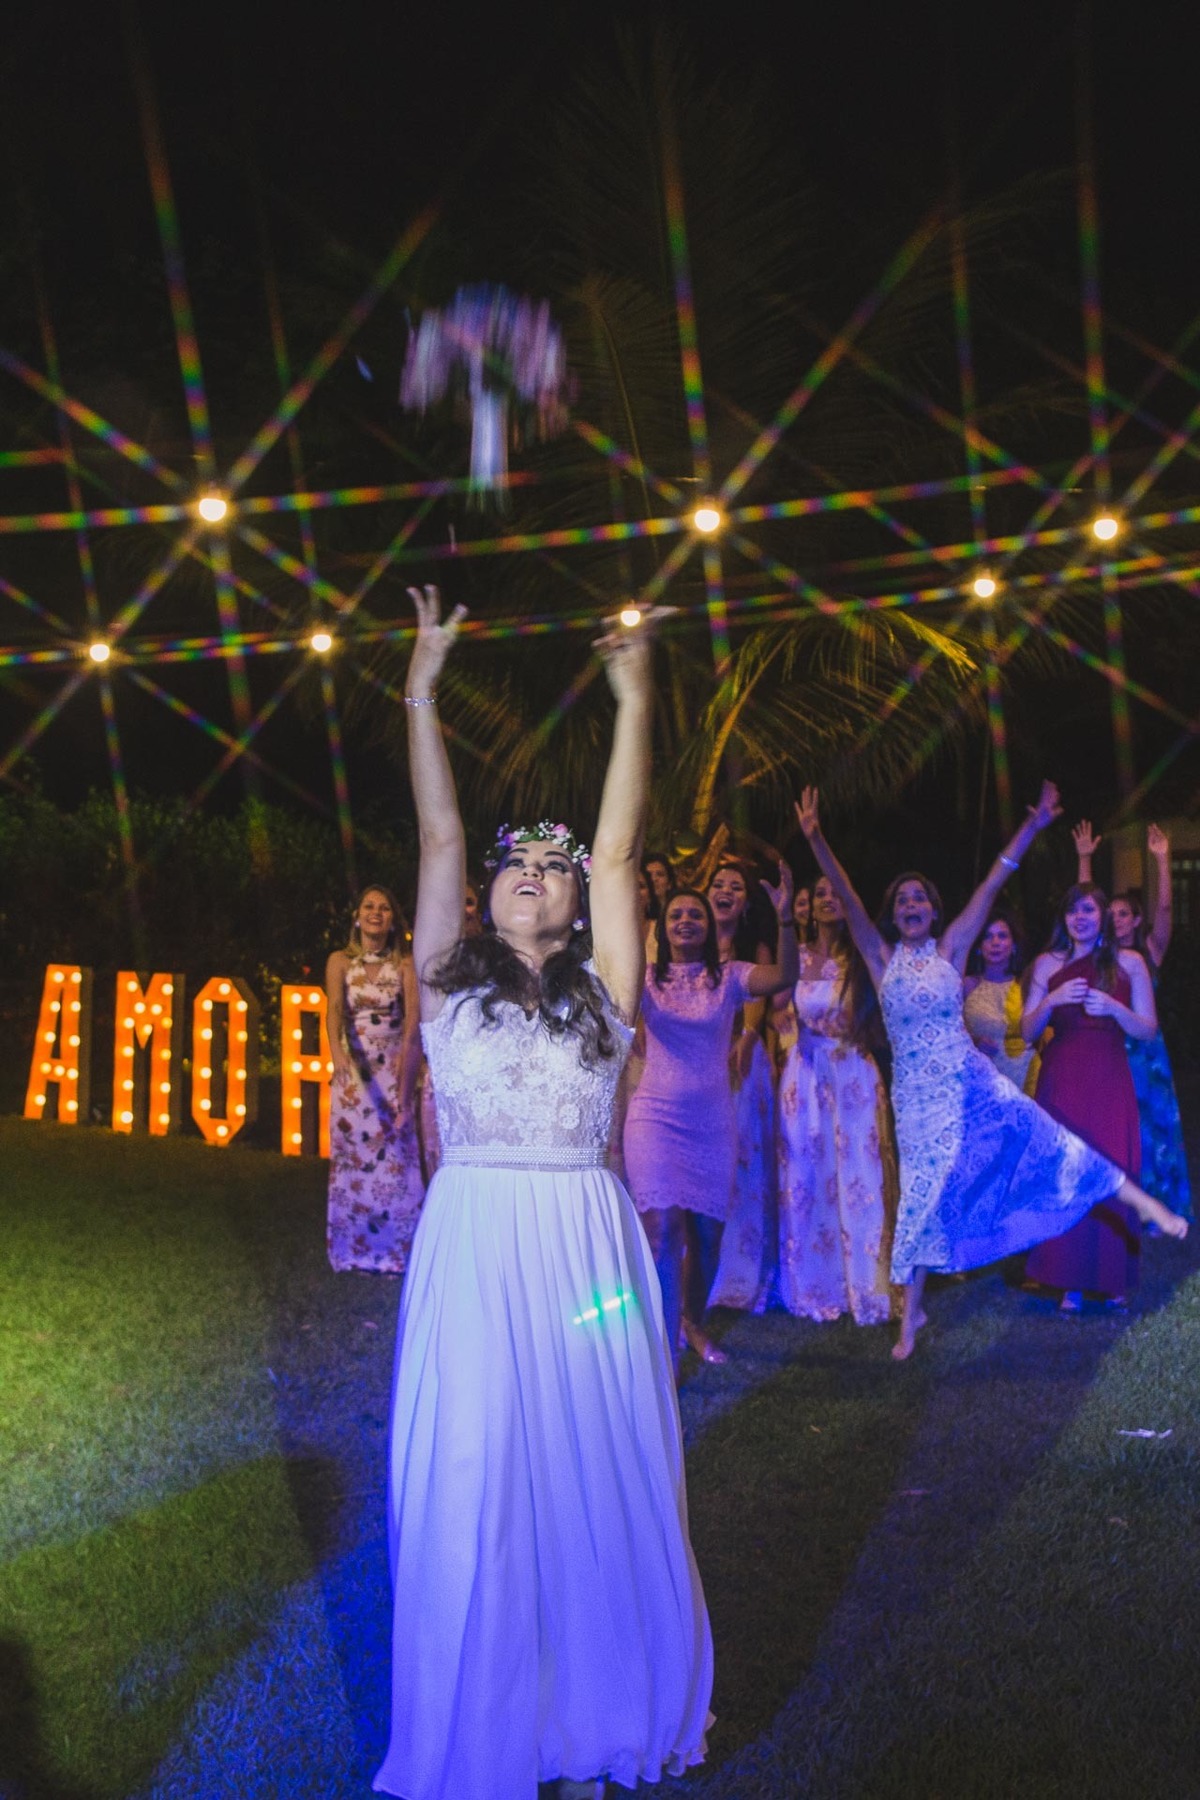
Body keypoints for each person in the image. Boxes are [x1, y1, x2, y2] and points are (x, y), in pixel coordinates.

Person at [374, 587, 712, 1800]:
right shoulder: (445, 985)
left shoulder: (608, 989)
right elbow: (438, 840)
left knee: (596, 1462)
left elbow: (618, 848)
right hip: (471, 1244)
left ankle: (595, 1701)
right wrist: (421, 690)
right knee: (476, 1469)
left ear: (575, 908)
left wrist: (636, 698)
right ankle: (485, 1712)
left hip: (585, 1249)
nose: (532, 875)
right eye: (516, 864)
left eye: (551, 870)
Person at [794, 783, 1187, 1361]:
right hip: (915, 1098)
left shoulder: (952, 949)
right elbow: (848, 897)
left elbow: (993, 883)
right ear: (893, 914)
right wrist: (815, 839)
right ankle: (911, 1316)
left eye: (919, 899)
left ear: (933, 911)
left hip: (968, 1081)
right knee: (920, 1196)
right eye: (902, 901)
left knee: (1047, 1137)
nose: (910, 906)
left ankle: (1144, 1204)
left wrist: (1033, 827)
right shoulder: (880, 959)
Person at [623, 875, 797, 1369]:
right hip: (654, 1118)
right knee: (664, 1232)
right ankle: (661, 1351)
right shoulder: (644, 979)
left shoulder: (730, 977)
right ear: (662, 927)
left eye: (694, 914)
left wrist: (785, 917)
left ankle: (691, 1322)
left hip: (712, 1122)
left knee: (706, 1238)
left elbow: (785, 975)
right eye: (676, 914)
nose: (685, 921)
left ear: (708, 925)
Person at [1021, 884, 1159, 1309]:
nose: (1079, 918)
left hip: (1108, 1074)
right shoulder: (1048, 963)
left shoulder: (1129, 962)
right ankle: (1070, 1280)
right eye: (1072, 911)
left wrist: (1115, 1009)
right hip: (1063, 1075)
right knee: (1066, 1168)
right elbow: (1026, 1032)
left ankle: (1112, 1277)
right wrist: (1052, 1000)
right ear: (1063, 919)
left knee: (1111, 1165)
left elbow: (1147, 1029)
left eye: (1088, 910)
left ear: (1103, 916)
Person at [775, 874, 897, 1324]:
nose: (828, 899)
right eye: (820, 893)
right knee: (808, 1176)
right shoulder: (798, 955)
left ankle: (865, 1284)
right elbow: (776, 1005)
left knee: (859, 1177)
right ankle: (813, 1283)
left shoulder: (863, 956)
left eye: (836, 892)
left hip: (852, 1075)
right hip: (806, 1075)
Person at [1074, 820, 1191, 1218]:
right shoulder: (1099, 955)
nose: (1118, 919)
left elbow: (1165, 909)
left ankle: (1157, 1207)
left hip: (1145, 1052)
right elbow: (1083, 905)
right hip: (1110, 1047)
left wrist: (1163, 859)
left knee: (1153, 1128)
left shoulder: (1150, 951)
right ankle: (1119, 1206)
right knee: (1115, 1126)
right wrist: (1085, 859)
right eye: (1113, 914)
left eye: (1125, 914)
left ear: (1137, 920)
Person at [325, 885, 425, 1274]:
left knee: (394, 1162)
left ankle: (396, 1252)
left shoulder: (405, 966)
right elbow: (334, 1010)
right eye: (368, 906)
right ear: (357, 917)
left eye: (384, 908)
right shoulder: (339, 962)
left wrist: (406, 1079)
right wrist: (337, 1058)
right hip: (354, 1073)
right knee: (353, 1160)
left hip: (392, 1070)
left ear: (393, 921)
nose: (375, 913)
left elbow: (413, 1023)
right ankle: (352, 1250)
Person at [705, 861, 780, 1319]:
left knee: (743, 1164)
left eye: (735, 887)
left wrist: (748, 1038)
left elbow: (757, 1005)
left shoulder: (755, 949)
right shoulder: (691, 945)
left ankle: (742, 1269)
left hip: (741, 1063)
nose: (725, 890)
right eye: (718, 884)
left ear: (746, 903)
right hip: (699, 1065)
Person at [962, 911, 1038, 1093]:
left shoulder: (1027, 986)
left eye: (1002, 936)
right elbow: (950, 1032)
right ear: (979, 946)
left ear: (1014, 946)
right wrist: (973, 1042)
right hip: (982, 1079)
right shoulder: (967, 985)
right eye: (988, 936)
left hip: (1026, 1078)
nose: (995, 942)